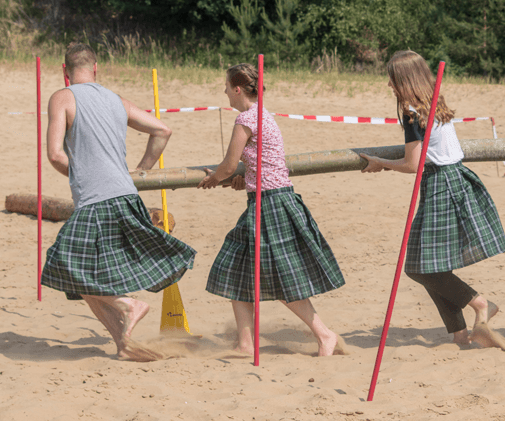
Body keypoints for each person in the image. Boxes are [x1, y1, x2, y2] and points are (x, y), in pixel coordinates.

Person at [42, 43, 196, 361]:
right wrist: (140, 172)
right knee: (83, 281)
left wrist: (84, 171)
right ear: (96, 68)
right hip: (126, 197)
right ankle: (123, 344)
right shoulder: (115, 99)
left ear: (64, 71)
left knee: (65, 264)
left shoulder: (62, 97)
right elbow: (163, 130)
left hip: (96, 200)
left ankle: (129, 304)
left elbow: (55, 154)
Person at [359, 50, 505, 349]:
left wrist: (379, 161)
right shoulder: (432, 103)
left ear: (404, 80)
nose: (390, 86)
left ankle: (480, 304)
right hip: (452, 180)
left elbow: (413, 164)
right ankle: (457, 333)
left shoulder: (413, 112)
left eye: (392, 80)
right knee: (429, 264)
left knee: (420, 267)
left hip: (442, 183)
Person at [198, 63, 345, 357]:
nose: (225, 92)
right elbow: (257, 162)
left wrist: (214, 178)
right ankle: (245, 343)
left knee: (281, 278)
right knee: (234, 268)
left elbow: (228, 165)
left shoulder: (246, 118)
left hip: (270, 204)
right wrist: (244, 178)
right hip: (269, 199)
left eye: (226, 87)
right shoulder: (262, 114)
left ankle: (324, 334)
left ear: (237, 89)